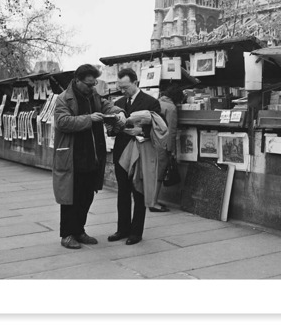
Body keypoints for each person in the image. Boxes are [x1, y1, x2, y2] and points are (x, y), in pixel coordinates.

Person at [52, 64, 126, 249]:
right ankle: (67, 235)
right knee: (71, 198)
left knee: (86, 196)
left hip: (92, 156)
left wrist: (119, 112)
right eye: (88, 84)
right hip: (73, 156)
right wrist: (89, 119)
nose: (92, 87)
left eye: (94, 84)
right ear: (77, 81)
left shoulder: (92, 95)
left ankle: (79, 230)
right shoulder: (63, 99)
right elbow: (62, 122)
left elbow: (107, 105)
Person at [108, 68, 161, 245]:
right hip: (121, 151)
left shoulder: (151, 102)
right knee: (122, 191)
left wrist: (142, 130)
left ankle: (136, 232)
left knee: (138, 191)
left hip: (140, 151)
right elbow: (112, 130)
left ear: (136, 83)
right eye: (120, 87)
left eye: (126, 87)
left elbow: (160, 126)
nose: (123, 91)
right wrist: (113, 127)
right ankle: (122, 229)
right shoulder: (118, 102)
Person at [149, 85, 183, 212]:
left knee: (151, 172)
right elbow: (171, 131)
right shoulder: (171, 108)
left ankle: (149, 200)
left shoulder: (156, 102)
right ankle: (153, 203)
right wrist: (172, 149)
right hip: (162, 144)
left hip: (151, 141)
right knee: (159, 173)